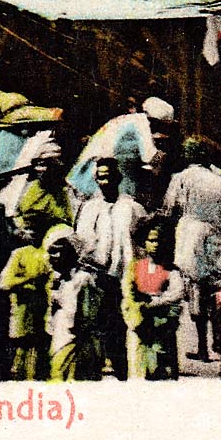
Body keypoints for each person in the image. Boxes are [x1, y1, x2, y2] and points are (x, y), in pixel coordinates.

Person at [74, 156, 147, 379]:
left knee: (121, 321)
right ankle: (98, 363)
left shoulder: (132, 207)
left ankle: (122, 365)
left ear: (118, 177)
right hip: (96, 274)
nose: (104, 181)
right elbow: (81, 240)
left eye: (109, 177)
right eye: (100, 177)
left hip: (124, 273)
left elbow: (141, 242)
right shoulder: (89, 208)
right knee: (97, 321)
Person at [165, 136, 221, 362]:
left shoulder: (181, 178)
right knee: (216, 288)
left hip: (191, 234)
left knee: (195, 291)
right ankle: (220, 342)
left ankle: (202, 346)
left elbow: (169, 208)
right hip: (217, 234)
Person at [122, 218, 185, 381]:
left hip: (161, 325)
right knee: (137, 363)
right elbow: (127, 292)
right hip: (139, 322)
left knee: (160, 365)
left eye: (159, 240)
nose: (155, 244)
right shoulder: (134, 267)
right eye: (151, 240)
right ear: (144, 242)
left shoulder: (171, 269)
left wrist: (155, 302)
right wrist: (136, 308)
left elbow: (177, 293)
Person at [0, 213, 57, 380]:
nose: (33, 233)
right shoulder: (19, 254)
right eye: (29, 229)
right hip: (23, 311)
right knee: (20, 356)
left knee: (40, 357)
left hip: (44, 311)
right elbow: (4, 282)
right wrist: (29, 279)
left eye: (37, 230)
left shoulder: (49, 253)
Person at [46, 230, 103, 382]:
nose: (54, 257)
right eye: (52, 252)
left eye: (59, 251)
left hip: (74, 339)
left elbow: (83, 313)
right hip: (60, 334)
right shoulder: (59, 280)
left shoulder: (83, 279)